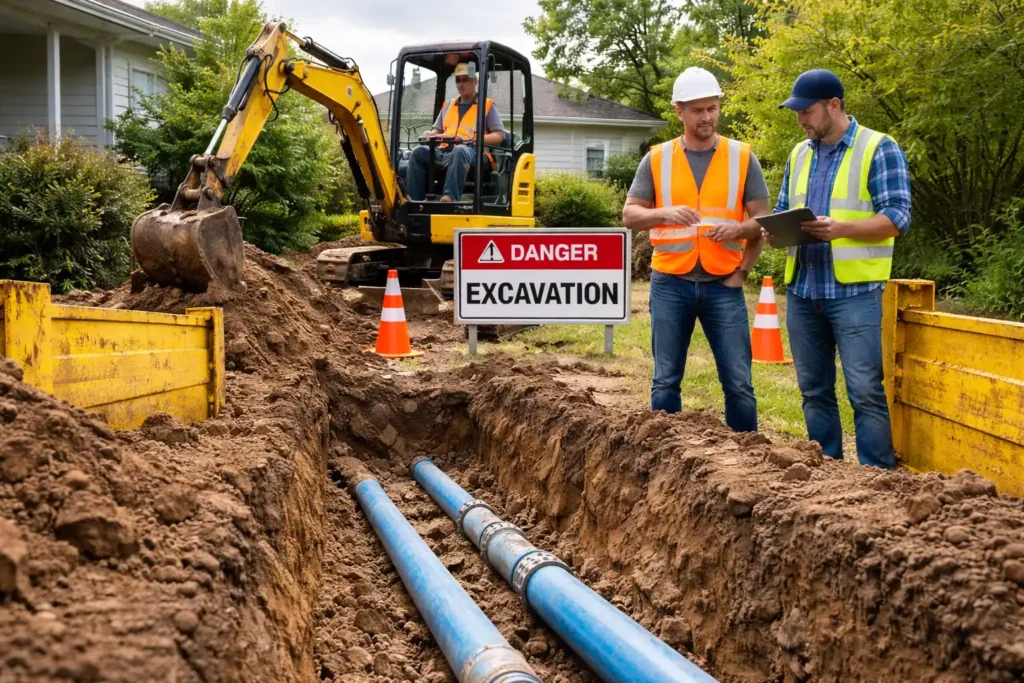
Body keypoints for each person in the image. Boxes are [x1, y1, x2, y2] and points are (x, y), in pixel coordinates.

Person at [767, 68, 912, 469]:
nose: (800, 120)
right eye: (797, 113)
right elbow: (783, 209)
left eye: (807, 111)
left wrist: (842, 229)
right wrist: (774, 232)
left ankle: (876, 477)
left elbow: (898, 218)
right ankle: (827, 472)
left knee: (865, 391)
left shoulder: (879, 148)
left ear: (834, 105)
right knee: (814, 390)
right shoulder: (800, 153)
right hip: (803, 290)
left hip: (855, 294)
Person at [622, 67, 770, 432]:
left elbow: (764, 222)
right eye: (697, 110)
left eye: (712, 108)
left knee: (739, 384)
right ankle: (665, 452)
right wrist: (664, 213)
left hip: (724, 283)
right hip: (670, 283)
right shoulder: (657, 158)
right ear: (680, 112)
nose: (707, 117)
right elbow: (630, 215)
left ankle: (747, 455)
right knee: (665, 381)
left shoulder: (742, 157)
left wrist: (742, 260)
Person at [406, 62, 506, 202]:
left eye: (465, 79)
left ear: (475, 81)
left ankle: (450, 197)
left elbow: (500, 135)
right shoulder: (448, 105)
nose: (461, 84)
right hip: (445, 151)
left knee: (460, 150)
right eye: (458, 80)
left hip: (474, 153)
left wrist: (475, 140)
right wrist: (430, 135)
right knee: (418, 152)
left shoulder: (486, 105)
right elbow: (436, 130)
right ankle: (414, 200)